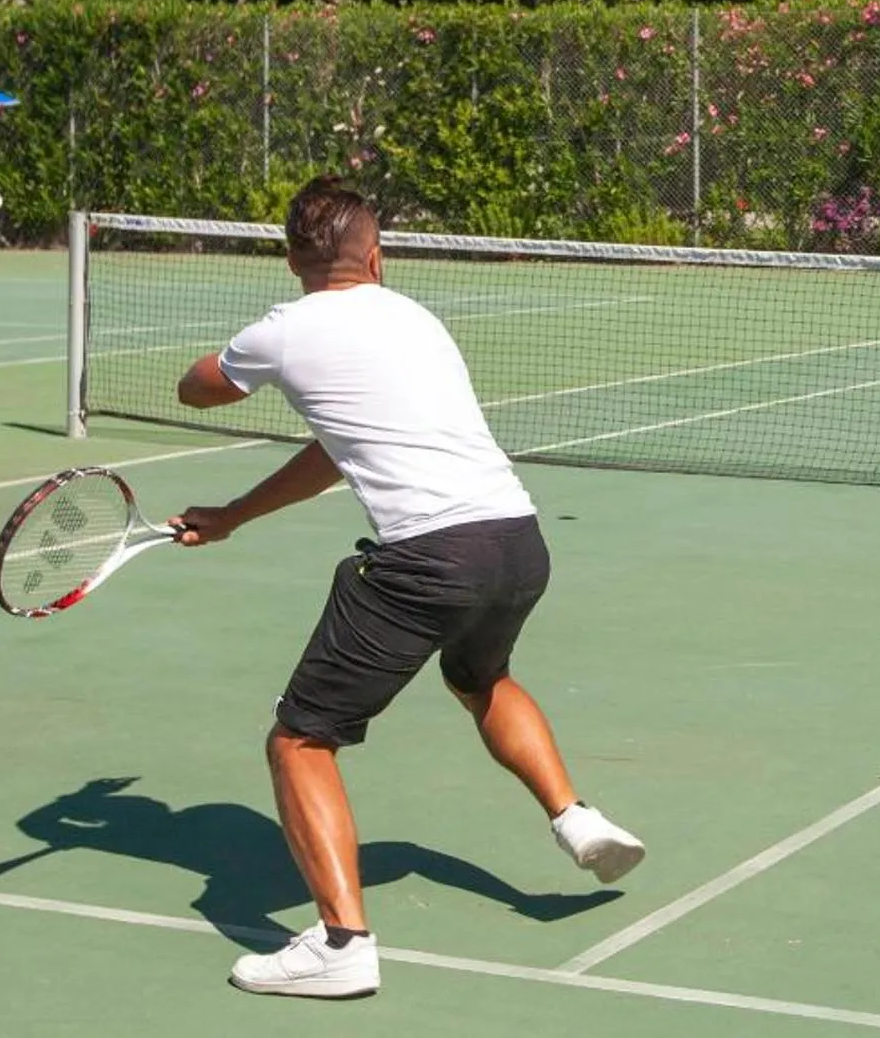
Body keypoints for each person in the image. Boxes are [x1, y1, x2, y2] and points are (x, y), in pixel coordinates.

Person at [169, 177, 645, 1000]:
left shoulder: (285, 330)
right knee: (479, 678)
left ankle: (342, 943)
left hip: (430, 560)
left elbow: (197, 386)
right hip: (517, 542)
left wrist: (235, 362)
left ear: (291, 261)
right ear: (376, 255)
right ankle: (577, 817)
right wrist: (236, 515)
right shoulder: (414, 318)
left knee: (298, 740)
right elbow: (334, 449)